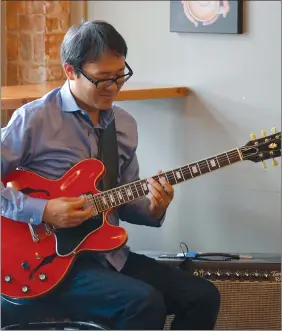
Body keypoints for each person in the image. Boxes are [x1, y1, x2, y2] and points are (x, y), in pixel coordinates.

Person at [1, 20, 220, 330]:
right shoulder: (34, 119)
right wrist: (44, 210)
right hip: (43, 263)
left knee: (202, 296)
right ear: (70, 71)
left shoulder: (124, 125)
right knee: (143, 303)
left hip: (107, 254)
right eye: (103, 79)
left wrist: (155, 207)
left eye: (120, 76)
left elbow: (125, 201)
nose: (114, 87)